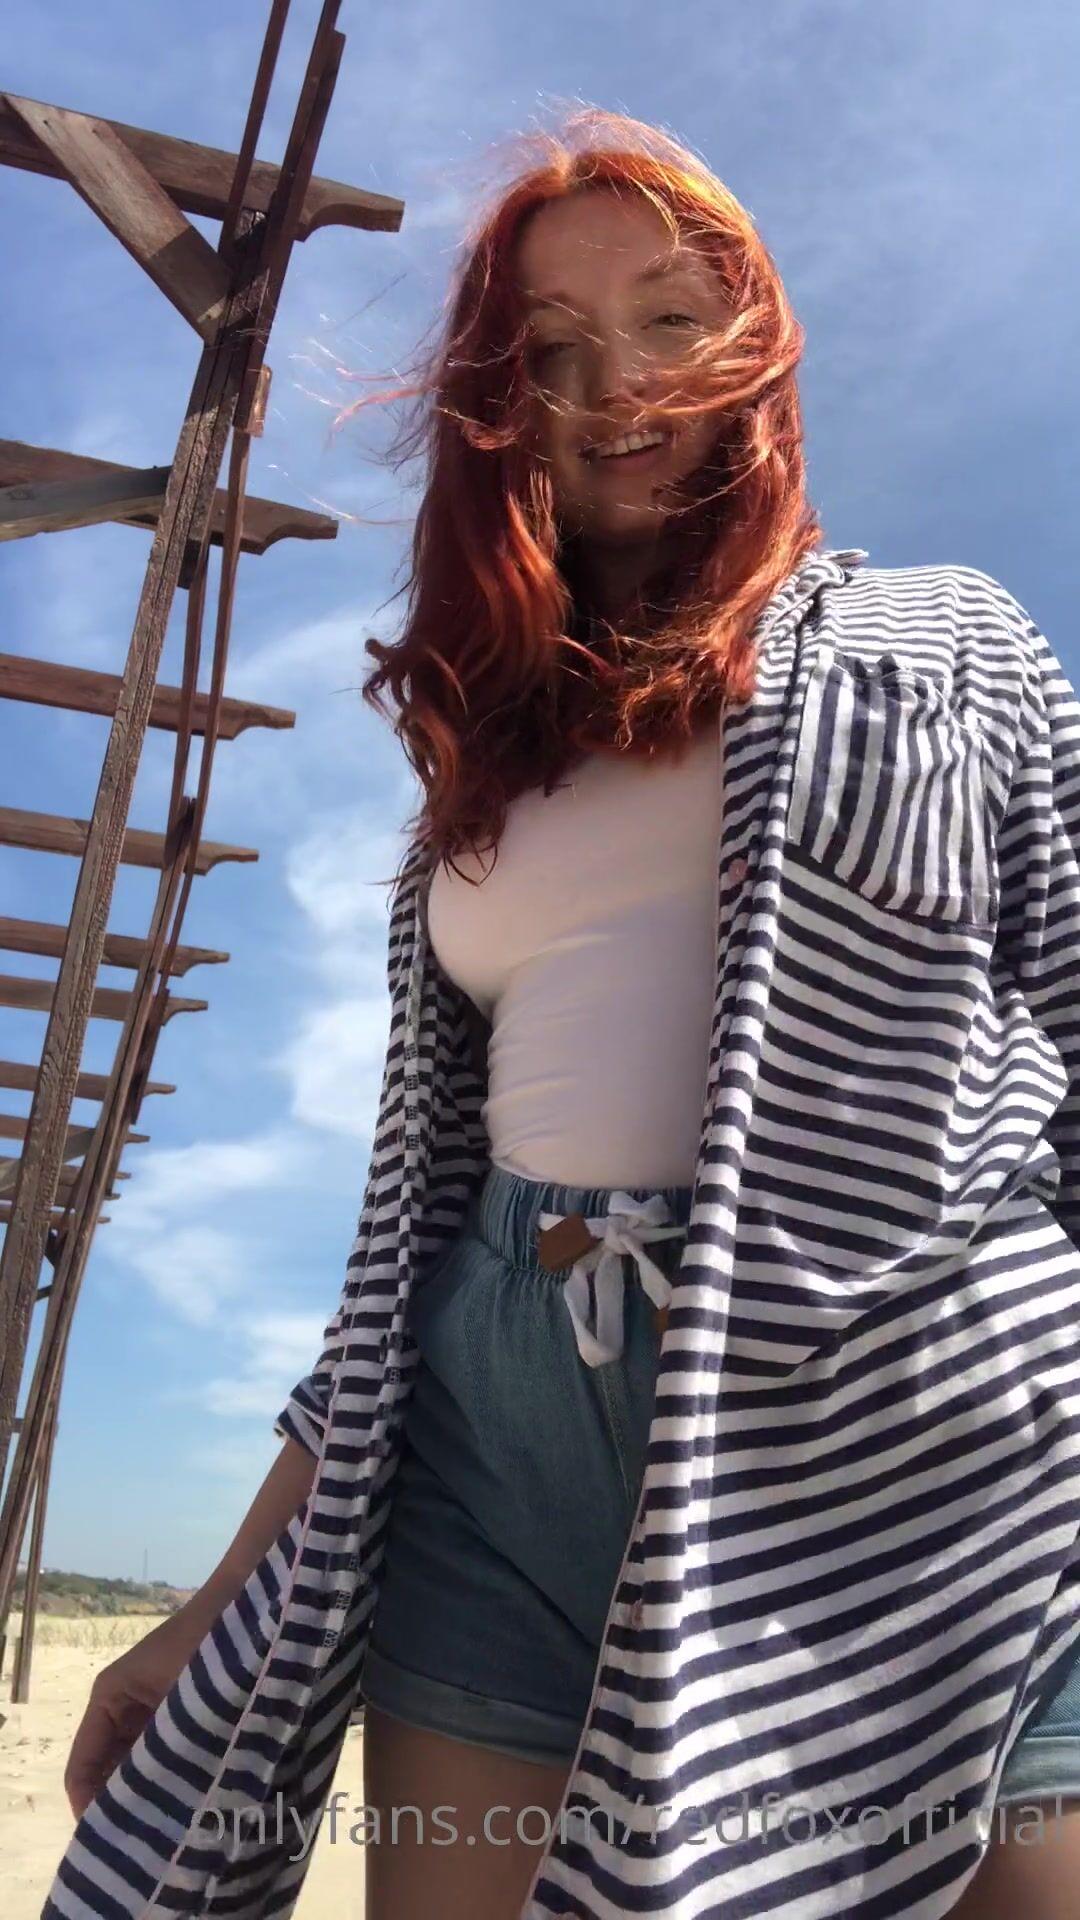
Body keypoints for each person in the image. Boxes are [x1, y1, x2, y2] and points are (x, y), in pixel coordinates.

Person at [46, 111, 1080, 1920]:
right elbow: (401, 1260)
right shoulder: (483, 763)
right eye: (552, 348)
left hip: (916, 1446)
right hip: (498, 1440)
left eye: (672, 321)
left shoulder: (956, 639)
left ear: (753, 351)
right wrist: (201, 1615)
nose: (617, 387)